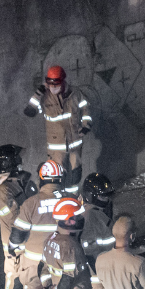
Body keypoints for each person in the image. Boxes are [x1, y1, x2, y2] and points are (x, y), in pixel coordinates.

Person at [10, 160, 65, 289]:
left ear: (41, 179)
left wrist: (12, 248)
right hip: (60, 260)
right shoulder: (68, 201)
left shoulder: (31, 203)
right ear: (60, 180)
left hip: (35, 263)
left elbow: (18, 235)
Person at [24, 65, 92, 194]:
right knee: (57, 176)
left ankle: (72, 199)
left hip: (74, 144)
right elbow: (30, 111)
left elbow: (86, 108)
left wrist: (86, 125)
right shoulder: (45, 97)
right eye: (50, 84)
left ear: (62, 81)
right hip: (56, 148)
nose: (53, 88)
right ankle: (58, 199)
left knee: (75, 175)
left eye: (56, 85)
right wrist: (38, 93)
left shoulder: (75, 94)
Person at [0, 144, 36, 289]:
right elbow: (15, 219)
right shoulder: (2, 190)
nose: (20, 161)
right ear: (9, 163)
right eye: (16, 158)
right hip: (15, 244)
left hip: (28, 239)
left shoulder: (16, 182)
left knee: (31, 275)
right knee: (15, 277)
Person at [41, 198, 97, 289]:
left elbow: (43, 268)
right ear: (69, 221)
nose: (80, 219)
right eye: (77, 217)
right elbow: (67, 281)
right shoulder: (71, 246)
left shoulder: (50, 239)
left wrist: (47, 288)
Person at [81, 173, 117, 289]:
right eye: (103, 196)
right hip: (98, 273)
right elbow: (88, 250)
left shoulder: (98, 212)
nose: (106, 200)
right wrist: (101, 273)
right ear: (91, 195)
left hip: (104, 268)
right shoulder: (89, 216)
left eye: (108, 196)